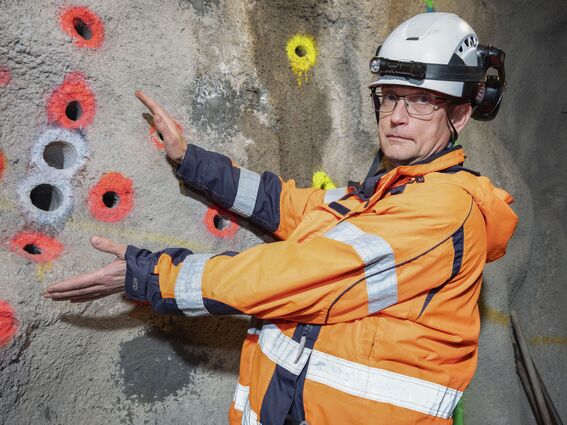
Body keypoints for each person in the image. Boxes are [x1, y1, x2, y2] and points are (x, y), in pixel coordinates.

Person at [44, 12, 518, 425]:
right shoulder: (388, 193)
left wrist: (149, 275)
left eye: (419, 100)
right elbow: (289, 206)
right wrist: (191, 160)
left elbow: (295, 275)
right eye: (389, 96)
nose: (396, 116)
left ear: (459, 114)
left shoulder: (443, 210)